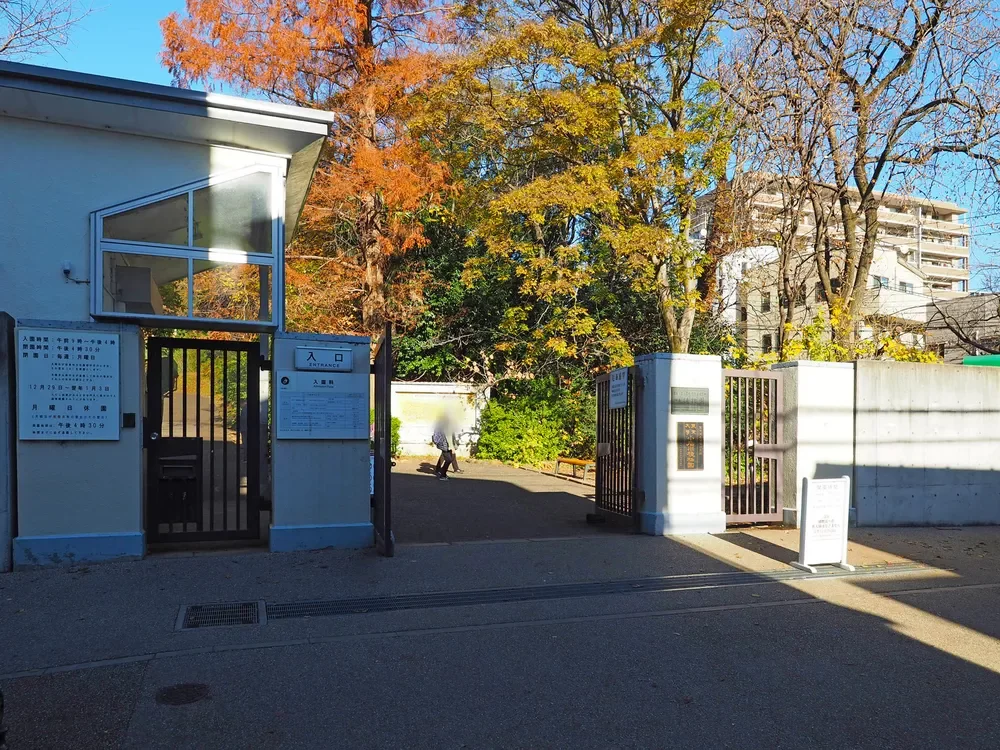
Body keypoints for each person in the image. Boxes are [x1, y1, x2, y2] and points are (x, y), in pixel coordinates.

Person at [432, 414, 461, 480]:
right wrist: (452, 447)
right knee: (448, 460)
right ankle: (442, 475)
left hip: (443, 445)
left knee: (449, 459)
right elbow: (449, 437)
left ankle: (443, 473)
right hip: (445, 445)